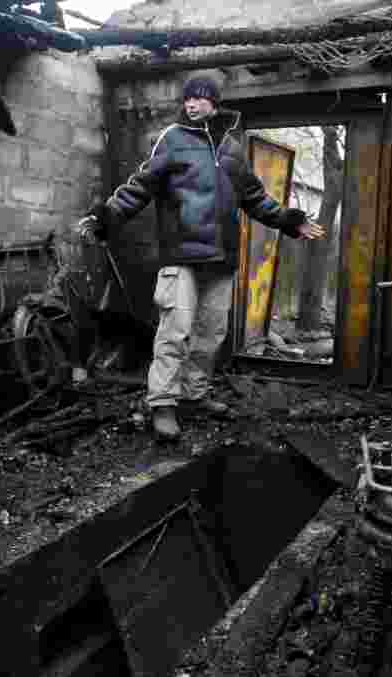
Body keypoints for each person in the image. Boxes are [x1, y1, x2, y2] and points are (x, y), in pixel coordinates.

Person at [79, 75, 326, 440]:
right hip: (181, 256)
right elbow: (140, 186)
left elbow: (255, 198)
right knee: (174, 332)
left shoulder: (232, 148)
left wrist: (291, 220)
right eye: (189, 99)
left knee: (211, 334)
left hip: (221, 259)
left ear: (214, 103)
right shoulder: (172, 139)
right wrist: (105, 218)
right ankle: (162, 403)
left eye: (200, 99)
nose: (192, 104)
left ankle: (194, 396)